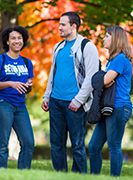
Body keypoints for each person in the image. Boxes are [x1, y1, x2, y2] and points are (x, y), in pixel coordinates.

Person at [41, 12, 99, 173]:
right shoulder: (58, 47)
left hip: (74, 104)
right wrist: (47, 96)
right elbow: (52, 73)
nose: (59, 27)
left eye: (63, 24)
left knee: (77, 145)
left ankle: (79, 175)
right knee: (56, 144)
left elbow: (91, 77)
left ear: (74, 26)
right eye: (59, 24)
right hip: (55, 102)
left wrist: (78, 101)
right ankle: (60, 175)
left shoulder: (87, 46)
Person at [88, 26, 133, 176]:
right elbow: (102, 82)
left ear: (116, 39)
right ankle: (94, 177)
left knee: (114, 146)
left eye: (107, 36)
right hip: (108, 107)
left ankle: (115, 178)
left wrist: (101, 79)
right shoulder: (113, 61)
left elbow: (105, 80)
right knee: (94, 146)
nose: (104, 38)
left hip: (119, 107)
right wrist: (101, 80)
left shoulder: (120, 59)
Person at [0, 26, 34, 169]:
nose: (17, 41)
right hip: (2, 104)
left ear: (23, 41)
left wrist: (29, 86)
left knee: (28, 142)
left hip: (20, 106)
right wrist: (10, 83)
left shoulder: (27, 62)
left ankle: (23, 174)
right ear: (7, 41)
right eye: (13, 38)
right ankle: (1, 173)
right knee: (2, 143)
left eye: (19, 38)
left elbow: (27, 87)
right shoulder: (0, 59)